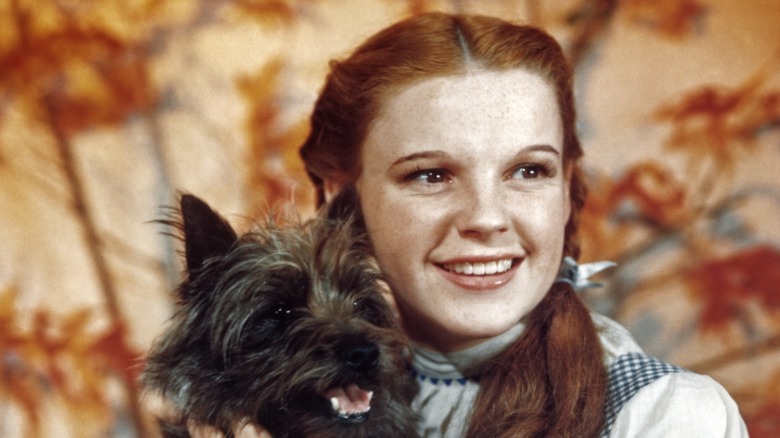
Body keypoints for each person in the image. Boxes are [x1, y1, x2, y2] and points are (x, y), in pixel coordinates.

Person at [195, 12, 748, 437]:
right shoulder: (289, 404)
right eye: (431, 175)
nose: (486, 218)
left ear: (565, 189)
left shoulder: (662, 414)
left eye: (529, 170)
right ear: (343, 199)